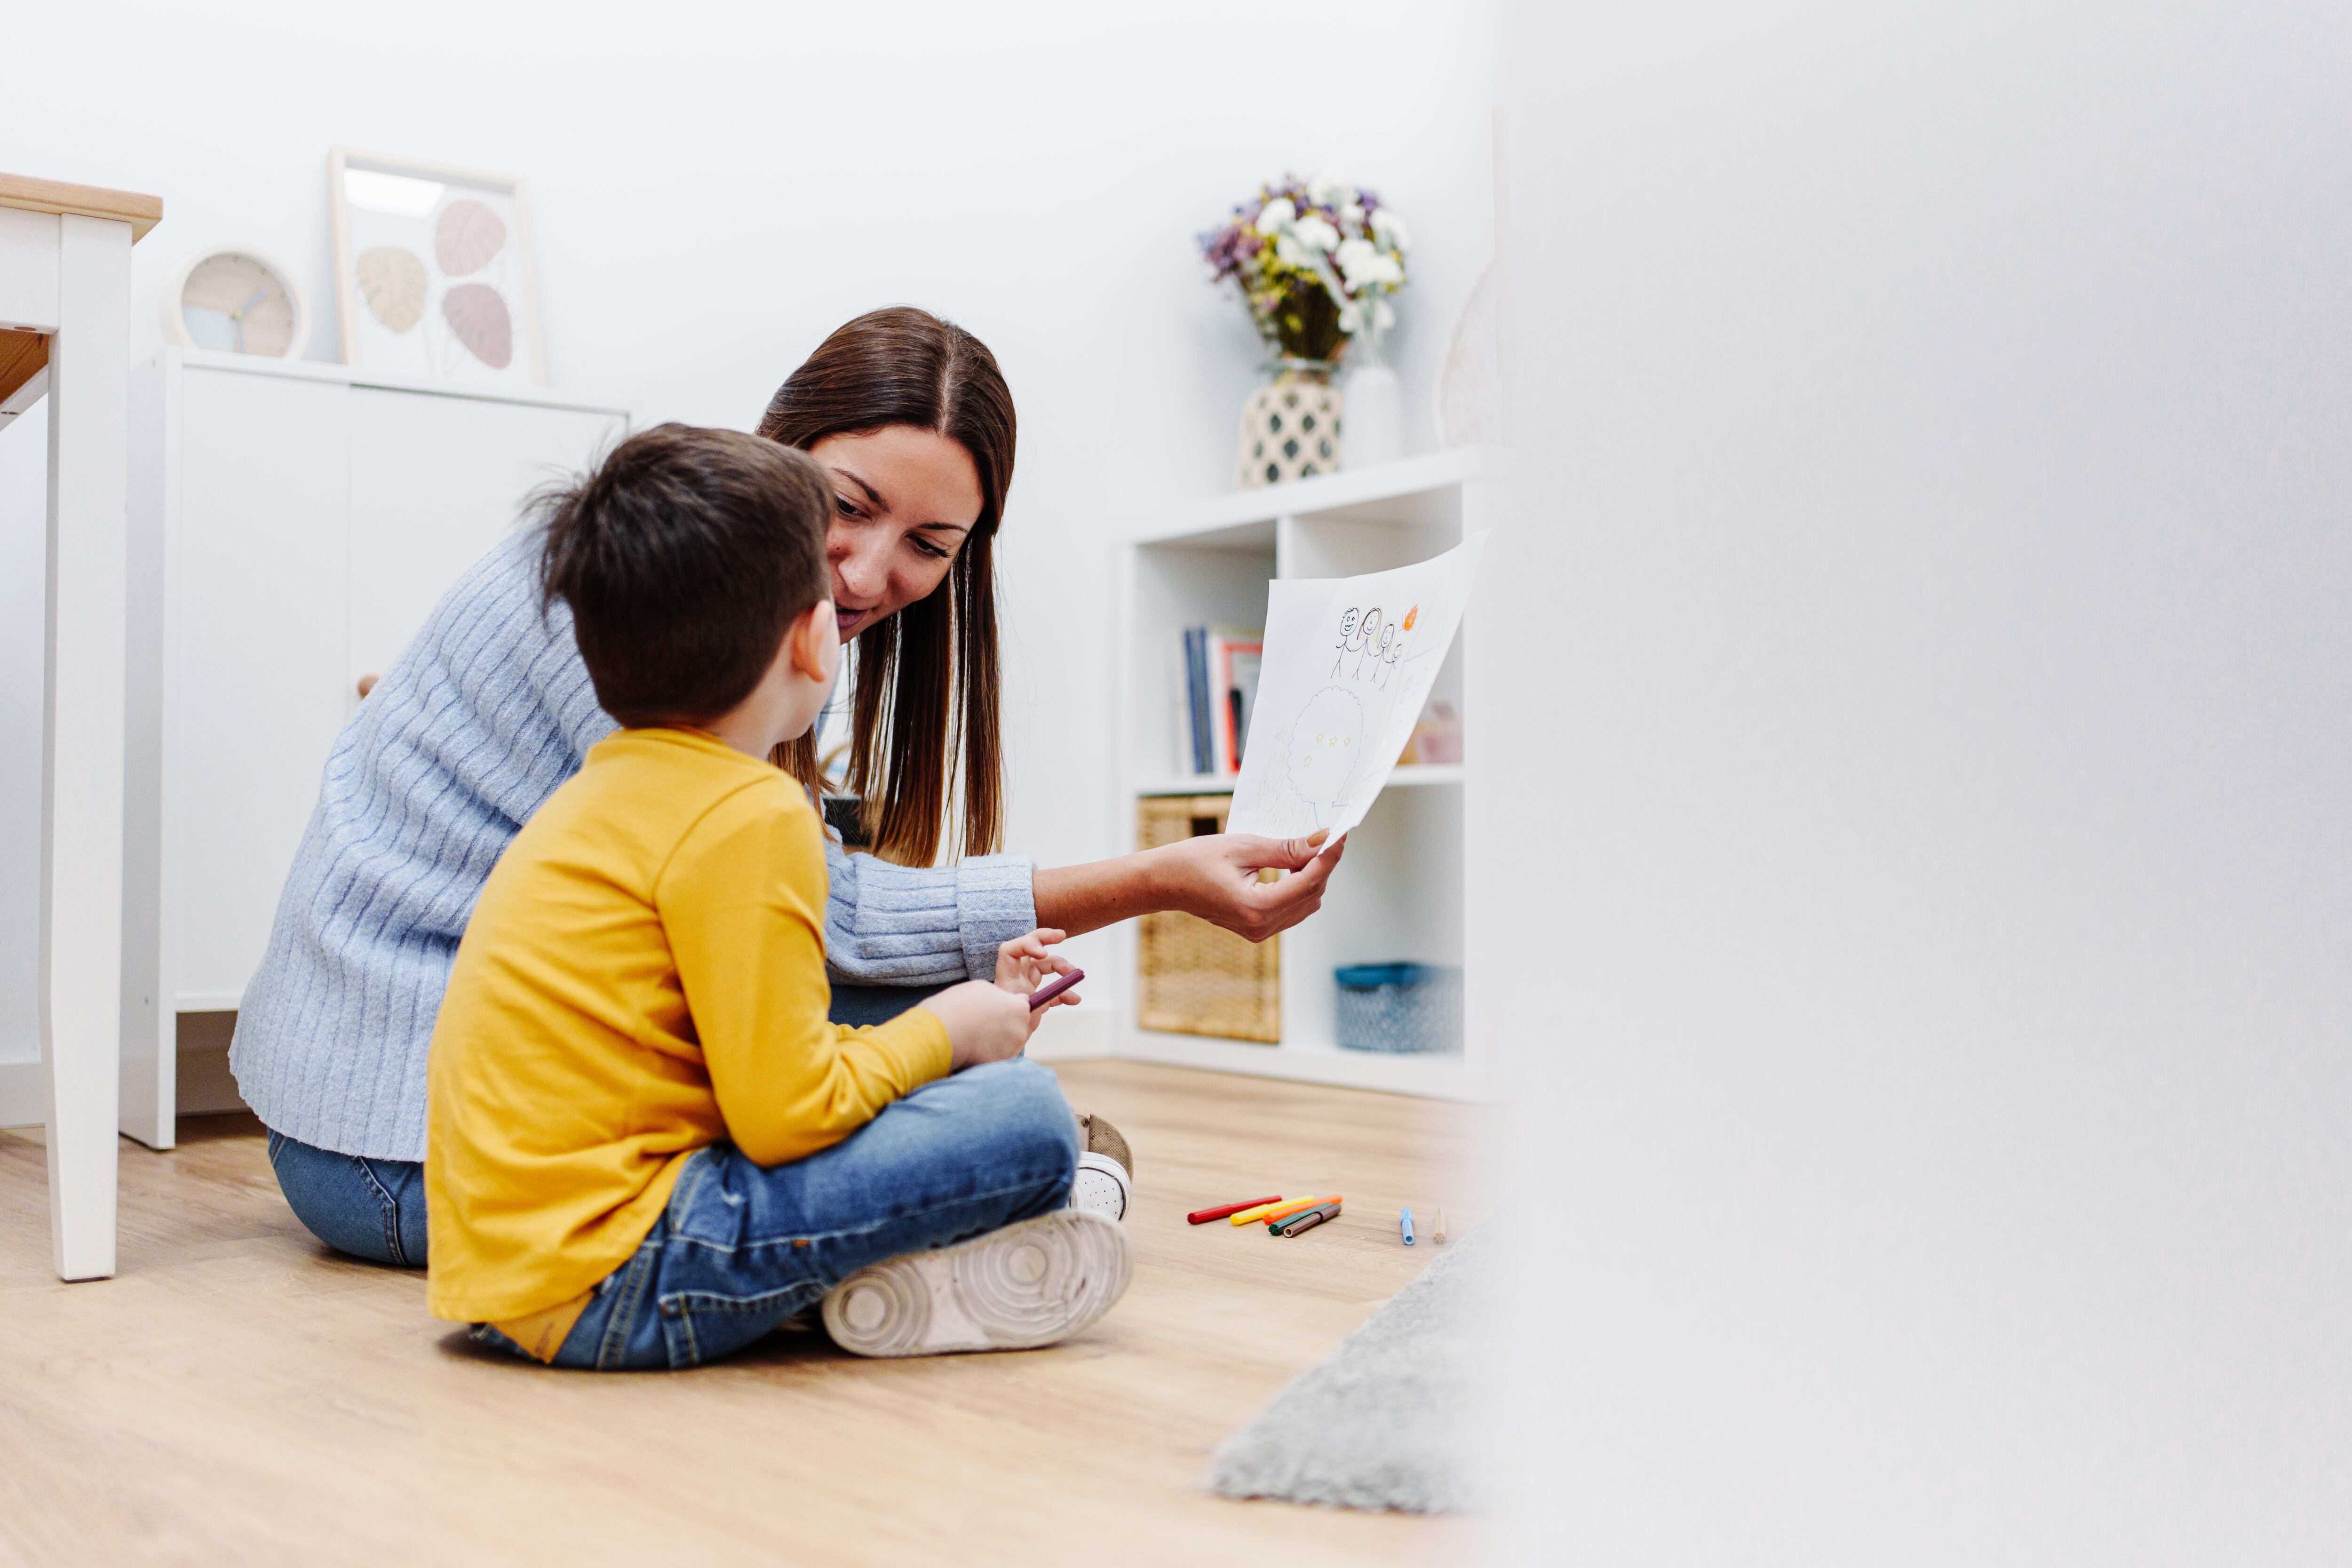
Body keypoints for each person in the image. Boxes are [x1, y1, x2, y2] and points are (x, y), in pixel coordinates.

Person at [232, 306, 1339, 1267]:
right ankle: (988, 1188)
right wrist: (1156, 879)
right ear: (783, 444)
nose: (866, 572)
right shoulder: (641, 598)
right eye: (848, 504)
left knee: (940, 1031)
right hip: (401, 1146)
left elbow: (800, 924)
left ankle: (978, 1168)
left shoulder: (722, 597)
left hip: (470, 1104)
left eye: (928, 544)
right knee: (1007, 1109)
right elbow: (835, 920)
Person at [429, 423, 1127, 1369]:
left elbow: (756, 1056)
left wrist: (948, 1029)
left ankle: (886, 1276)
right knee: (1029, 1121)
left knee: (952, 1080)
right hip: (621, 1278)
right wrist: (948, 1032)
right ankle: (942, 1252)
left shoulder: (597, 794)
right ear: (810, 636)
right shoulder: (750, 812)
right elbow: (786, 1114)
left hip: (511, 1284)